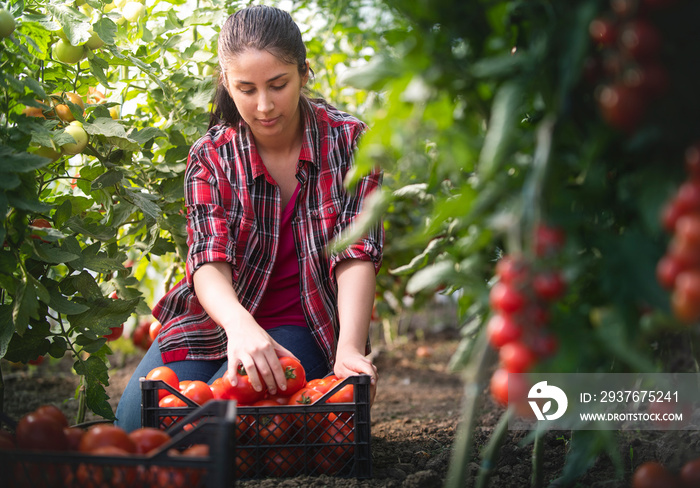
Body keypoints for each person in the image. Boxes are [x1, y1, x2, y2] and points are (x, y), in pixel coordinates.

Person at [115, 5, 383, 431]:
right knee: (135, 425)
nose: (263, 106)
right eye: (246, 88)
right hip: (218, 317)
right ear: (226, 83)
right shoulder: (212, 156)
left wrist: (348, 346)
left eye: (278, 85)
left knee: (217, 427)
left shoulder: (348, 141)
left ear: (304, 74)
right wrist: (240, 326)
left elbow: (356, 251)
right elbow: (207, 262)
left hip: (302, 321)